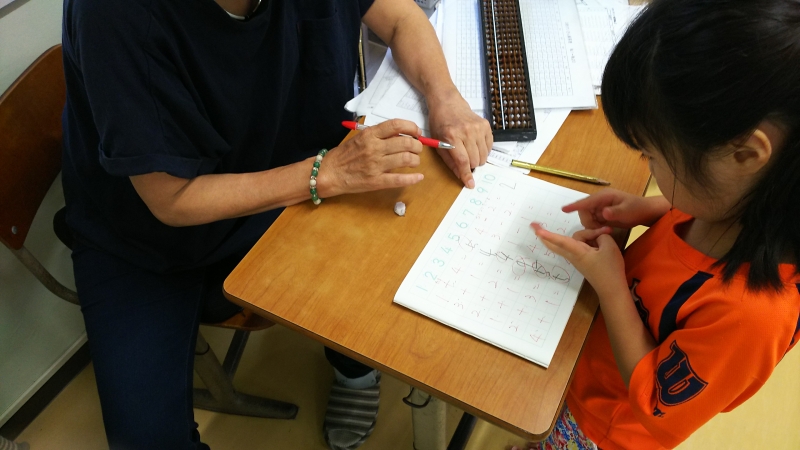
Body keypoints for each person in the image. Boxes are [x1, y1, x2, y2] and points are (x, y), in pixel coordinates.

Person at [60, 0, 492, 449]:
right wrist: (326, 174)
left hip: (283, 175)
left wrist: (446, 99)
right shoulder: (114, 15)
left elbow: (401, 18)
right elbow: (170, 199)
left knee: (369, 281)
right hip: (143, 238)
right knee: (146, 438)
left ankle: (355, 371)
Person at [512, 0, 800, 449]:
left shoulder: (753, 316)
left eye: (652, 155)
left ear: (744, 153)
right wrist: (648, 209)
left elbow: (655, 406)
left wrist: (611, 286)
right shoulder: (743, 199)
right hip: (586, 364)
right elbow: (696, 216)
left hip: (602, 425)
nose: (649, 167)